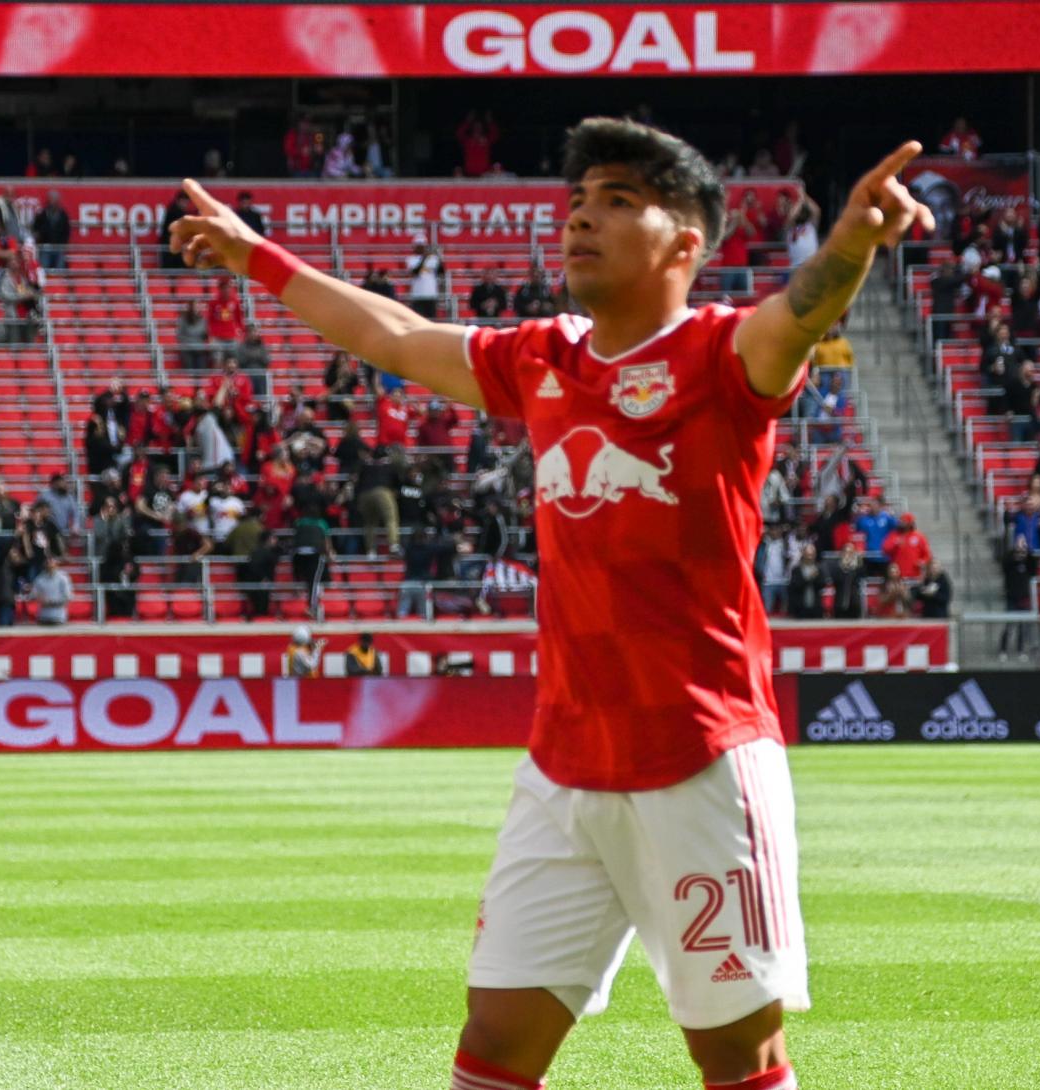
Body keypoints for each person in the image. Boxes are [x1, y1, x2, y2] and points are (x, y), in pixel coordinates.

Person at [169, 117, 934, 1090]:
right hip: (564, 763)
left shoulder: (719, 357)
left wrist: (849, 245)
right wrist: (257, 257)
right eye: (577, 201)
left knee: (736, 1051)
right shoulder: (541, 359)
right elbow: (391, 334)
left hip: (696, 758)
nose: (581, 219)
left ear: (684, 242)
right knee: (494, 1037)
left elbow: (796, 314)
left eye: (617, 201)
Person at [406, 233, 444, 319]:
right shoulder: (411, 259)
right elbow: (415, 272)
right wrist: (425, 258)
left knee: (431, 320)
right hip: (417, 295)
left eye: (422, 246)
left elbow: (441, 272)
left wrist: (439, 257)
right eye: (418, 246)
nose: (421, 248)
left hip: (431, 294)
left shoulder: (433, 259)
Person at [33, 188, 71, 270]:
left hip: (59, 247)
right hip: (45, 247)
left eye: (54, 200)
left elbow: (67, 231)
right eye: (50, 199)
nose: (52, 202)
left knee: (60, 269)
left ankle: (60, 283)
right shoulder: (42, 214)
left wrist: (63, 243)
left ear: (58, 201)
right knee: (44, 270)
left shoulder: (63, 215)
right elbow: (36, 228)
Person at [786, 542, 826, 619]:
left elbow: (822, 585)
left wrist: (816, 578)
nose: (810, 557)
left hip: (815, 609)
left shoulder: (819, 569)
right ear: (803, 554)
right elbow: (795, 586)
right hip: (801, 609)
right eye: (808, 554)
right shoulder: (796, 570)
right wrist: (808, 578)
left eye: (812, 555)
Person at [30, 555, 72, 626]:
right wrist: (39, 598)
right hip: (43, 617)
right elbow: (32, 595)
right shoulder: (40, 579)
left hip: (58, 617)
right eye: (48, 565)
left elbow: (67, 596)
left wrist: (51, 602)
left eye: (52, 565)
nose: (50, 567)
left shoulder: (63, 578)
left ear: (56, 565)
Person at [177, 300, 210, 370]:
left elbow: (206, 334)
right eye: (193, 307)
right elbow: (179, 336)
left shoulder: (203, 320)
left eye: (197, 307)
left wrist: (205, 337)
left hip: (199, 348)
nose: (195, 309)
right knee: (189, 369)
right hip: (187, 348)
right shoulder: (183, 319)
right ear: (189, 307)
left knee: (202, 369)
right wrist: (189, 342)